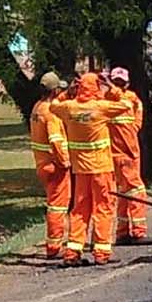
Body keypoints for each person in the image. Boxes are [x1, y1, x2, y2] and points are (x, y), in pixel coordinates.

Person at [62, 67, 121, 264]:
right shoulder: (101, 107)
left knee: (79, 209)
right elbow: (126, 104)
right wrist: (111, 86)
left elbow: (54, 105)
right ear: (96, 87)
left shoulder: (69, 108)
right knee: (103, 208)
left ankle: (73, 251)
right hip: (102, 168)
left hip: (80, 170)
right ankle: (102, 252)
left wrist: (68, 91)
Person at [27, 72, 75, 262]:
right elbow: (55, 141)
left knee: (54, 204)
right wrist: (65, 163)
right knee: (58, 207)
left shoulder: (37, 108)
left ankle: (54, 244)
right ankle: (55, 247)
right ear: (54, 90)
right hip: (55, 166)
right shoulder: (51, 113)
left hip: (42, 164)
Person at [106, 66, 150, 244]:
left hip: (125, 153)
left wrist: (109, 86)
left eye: (120, 82)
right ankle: (137, 232)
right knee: (135, 191)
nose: (117, 85)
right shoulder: (109, 99)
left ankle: (123, 231)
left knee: (125, 192)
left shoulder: (130, 99)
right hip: (123, 155)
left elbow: (135, 121)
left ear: (127, 83)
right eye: (115, 81)